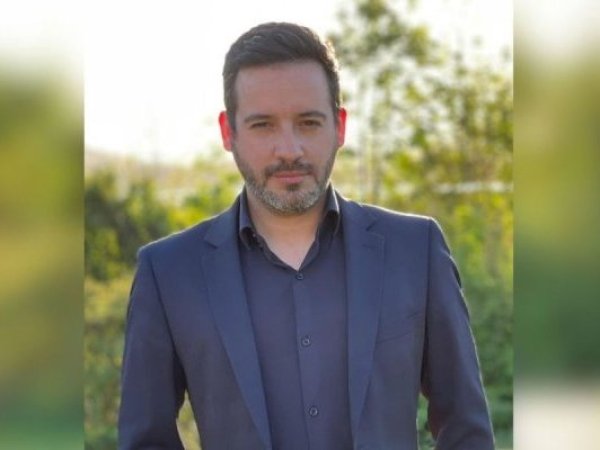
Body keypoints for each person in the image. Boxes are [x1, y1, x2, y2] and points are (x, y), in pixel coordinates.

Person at [118, 22, 495, 450]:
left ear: (339, 126)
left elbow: (466, 429)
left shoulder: (416, 250)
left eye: (308, 122)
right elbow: (145, 440)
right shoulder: (168, 273)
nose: (289, 150)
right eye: (263, 125)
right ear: (228, 132)